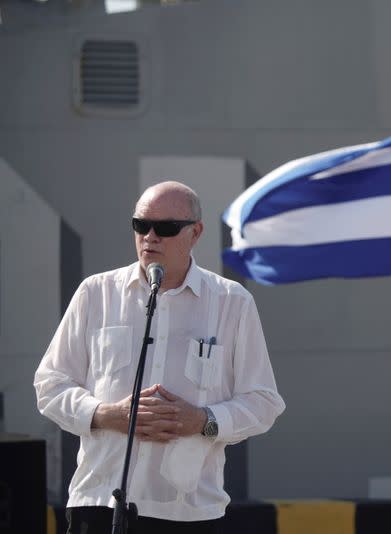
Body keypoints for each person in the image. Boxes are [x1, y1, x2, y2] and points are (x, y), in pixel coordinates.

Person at [34, 181, 285, 534]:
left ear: (195, 233)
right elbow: (50, 386)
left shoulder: (232, 302)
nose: (150, 237)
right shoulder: (96, 293)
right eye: (141, 225)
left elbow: (263, 402)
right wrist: (106, 415)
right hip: (98, 504)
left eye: (165, 228)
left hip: (188, 513)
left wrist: (203, 420)